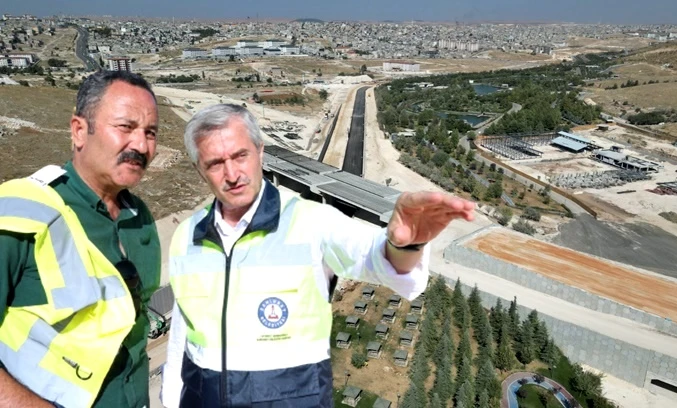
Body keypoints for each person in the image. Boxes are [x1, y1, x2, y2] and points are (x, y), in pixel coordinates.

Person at [161, 104, 475, 408]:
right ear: (200, 171)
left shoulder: (312, 221)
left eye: (240, 155)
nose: (232, 174)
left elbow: (375, 258)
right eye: (215, 163)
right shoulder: (186, 236)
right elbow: (183, 335)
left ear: (260, 152)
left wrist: (404, 245)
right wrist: (171, 399)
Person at [0, 70, 161, 408]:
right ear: (78, 131)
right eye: (125, 127)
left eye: (150, 132)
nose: (141, 145)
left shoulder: (141, 220)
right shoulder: (22, 210)